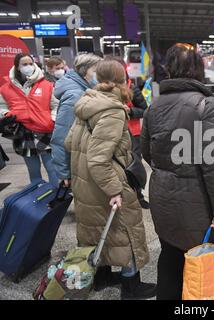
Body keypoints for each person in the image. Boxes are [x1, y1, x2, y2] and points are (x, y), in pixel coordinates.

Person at [141, 43, 214, 300]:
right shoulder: (206, 105)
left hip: (162, 195)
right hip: (197, 202)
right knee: (201, 263)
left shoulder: (154, 106)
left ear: (169, 69)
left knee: (170, 256)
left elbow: (146, 153)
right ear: (198, 70)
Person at [64, 59, 156, 300]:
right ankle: (131, 287)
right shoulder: (113, 110)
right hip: (106, 181)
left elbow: (69, 143)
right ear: (122, 81)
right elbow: (98, 159)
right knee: (126, 233)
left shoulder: (87, 103)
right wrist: (115, 189)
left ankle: (102, 277)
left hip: (85, 182)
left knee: (97, 231)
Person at [0, 53, 59, 187]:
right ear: (17, 67)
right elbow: (1, 107)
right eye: (24, 64)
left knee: (52, 168)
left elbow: (55, 105)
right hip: (24, 133)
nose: (28, 67)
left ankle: (55, 199)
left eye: (30, 64)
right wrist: (6, 114)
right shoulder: (6, 88)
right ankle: (37, 198)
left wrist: (52, 120)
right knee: (33, 170)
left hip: (45, 131)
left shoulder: (47, 85)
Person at [51, 53, 102, 188]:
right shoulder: (76, 95)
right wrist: (64, 173)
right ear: (84, 72)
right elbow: (61, 137)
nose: (99, 75)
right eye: (96, 71)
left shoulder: (85, 89)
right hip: (79, 163)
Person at [108, 56, 150, 209]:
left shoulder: (133, 88)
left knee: (135, 165)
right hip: (113, 134)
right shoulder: (104, 90)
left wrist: (130, 111)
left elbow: (145, 110)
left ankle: (138, 196)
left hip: (133, 134)